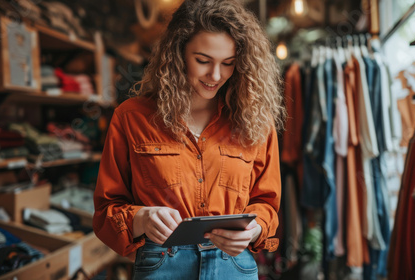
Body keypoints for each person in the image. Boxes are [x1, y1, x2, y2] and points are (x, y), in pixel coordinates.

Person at [93, 0, 286, 278]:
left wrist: (254, 229)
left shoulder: (256, 122)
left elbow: (267, 204)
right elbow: (105, 211)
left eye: (228, 63)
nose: (216, 75)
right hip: (163, 263)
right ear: (178, 52)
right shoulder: (131, 117)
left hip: (234, 265)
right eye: (203, 61)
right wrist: (141, 219)